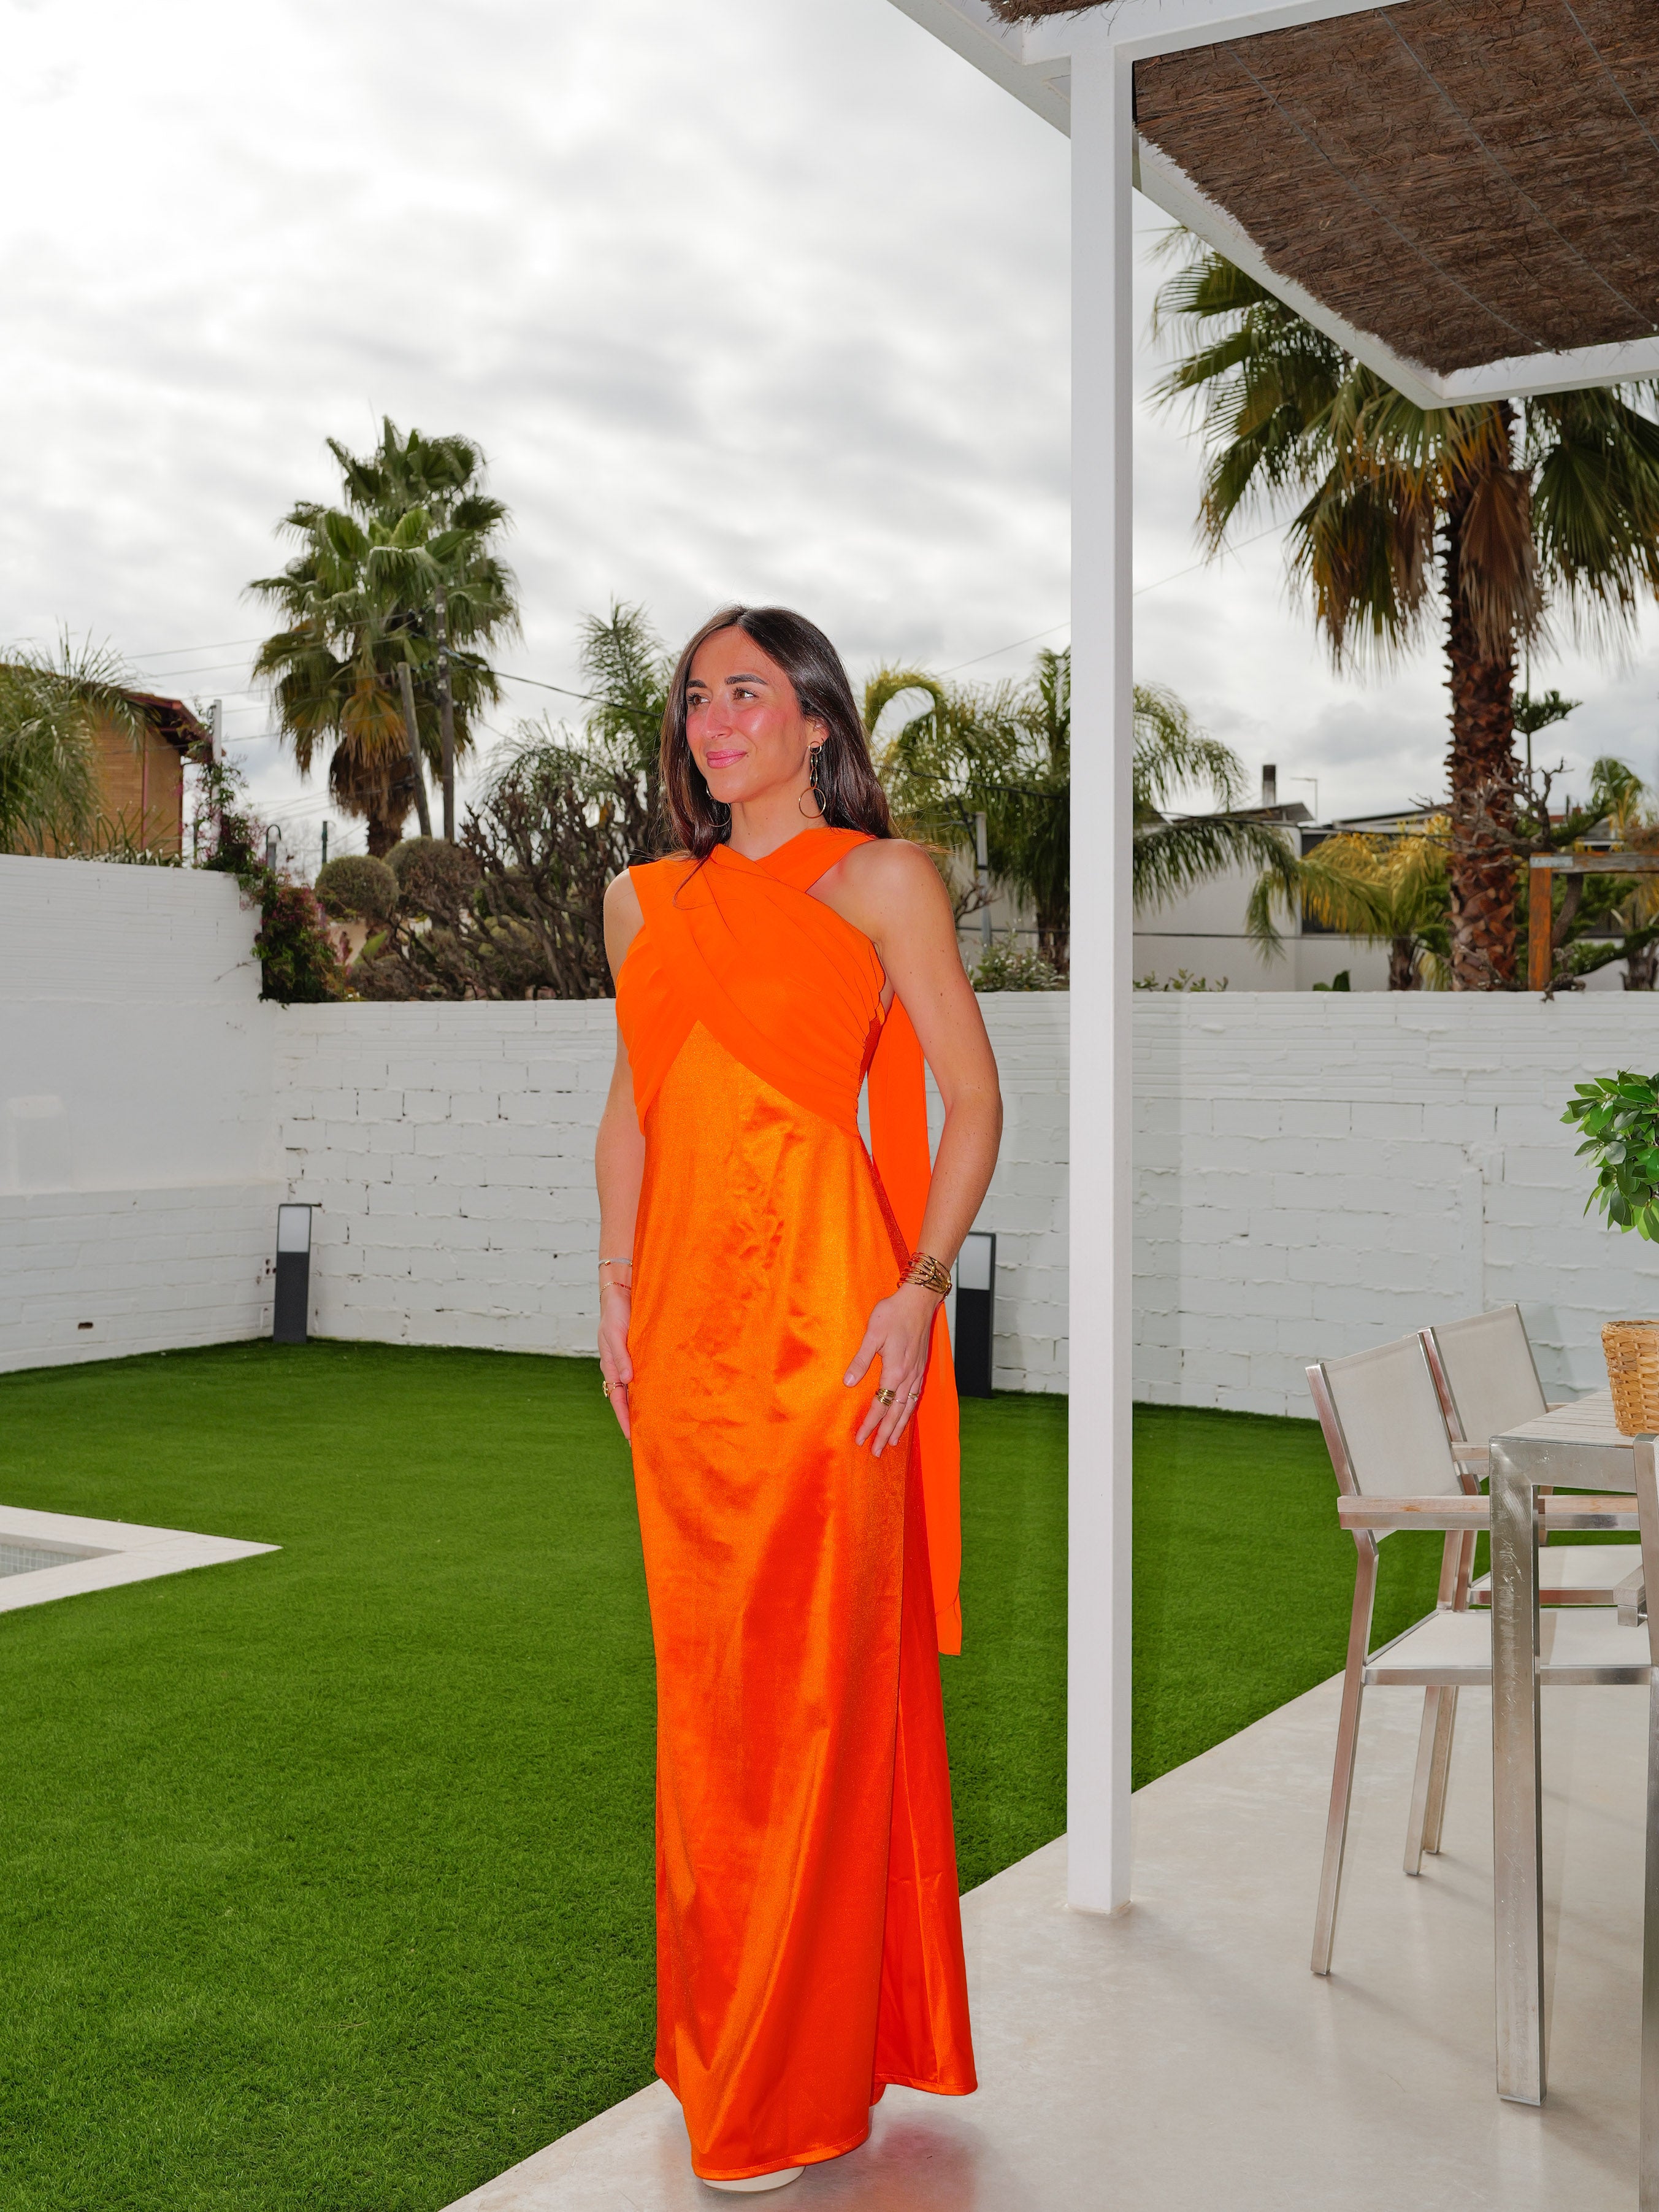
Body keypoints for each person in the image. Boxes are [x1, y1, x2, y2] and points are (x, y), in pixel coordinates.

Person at [593, 605, 1002, 2192]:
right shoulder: (638, 904)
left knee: (813, 1705)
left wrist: (918, 1289)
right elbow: (630, 1112)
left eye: (746, 691)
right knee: (708, 1717)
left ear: (817, 719)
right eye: (696, 698)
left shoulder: (882, 880)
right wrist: (613, 1287)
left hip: (834, 1328)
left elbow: (970, 1101)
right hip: (684, 1345)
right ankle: (720, 2051)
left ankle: (795, 2076)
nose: (715, 719)